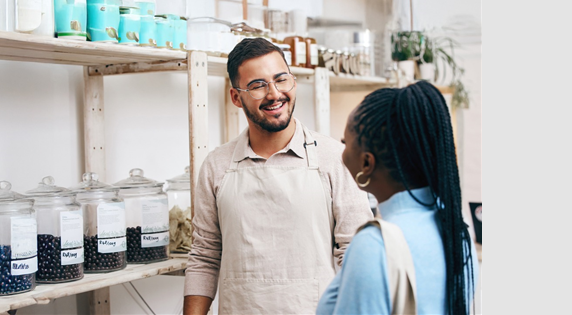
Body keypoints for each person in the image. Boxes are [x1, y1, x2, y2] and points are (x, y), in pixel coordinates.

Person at [183, 38, 373, 315]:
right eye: (258, 85)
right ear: (236, 97)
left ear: (293, 82)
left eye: (281, 80)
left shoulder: (334, 157)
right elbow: (205, 257)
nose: (274, 94)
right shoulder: (217, 165)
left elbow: (356, 255)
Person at [316, 81, 479, 315]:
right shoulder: (456, 228)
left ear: (366, 164)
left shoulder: (375, 245)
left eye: (345, 143)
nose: (341, 153)